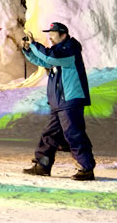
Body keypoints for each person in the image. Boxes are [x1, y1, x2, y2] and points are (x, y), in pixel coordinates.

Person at [21, 22, 96, 181]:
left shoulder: (69, 49)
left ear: (63, 34)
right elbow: (44, 61)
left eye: (53, 34)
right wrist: (28, 50)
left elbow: (50, 57)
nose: (50, 37)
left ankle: (86, 167)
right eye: (49, 35)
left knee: (74, 134)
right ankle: (42, 165)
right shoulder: (59, 51)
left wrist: (35, 44)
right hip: (58, 102)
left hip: (70, 100)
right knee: (50, 135)